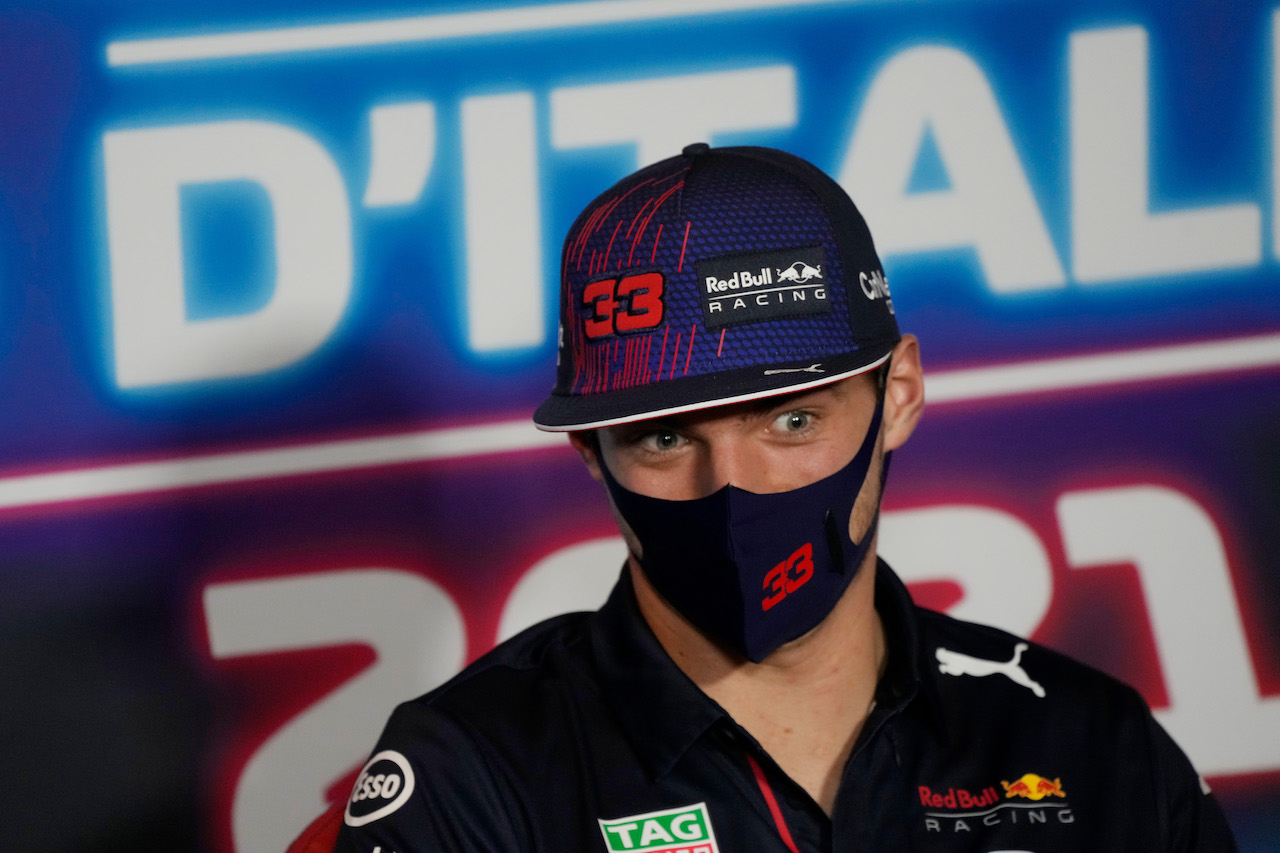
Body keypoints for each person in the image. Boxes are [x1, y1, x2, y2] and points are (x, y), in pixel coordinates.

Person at [327, 144, 1235, 851]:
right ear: (590, 452)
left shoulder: (1087, 747)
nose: (734, 487)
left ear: (901, 394)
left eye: (791, 421)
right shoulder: (474, 774)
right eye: (666, 436)